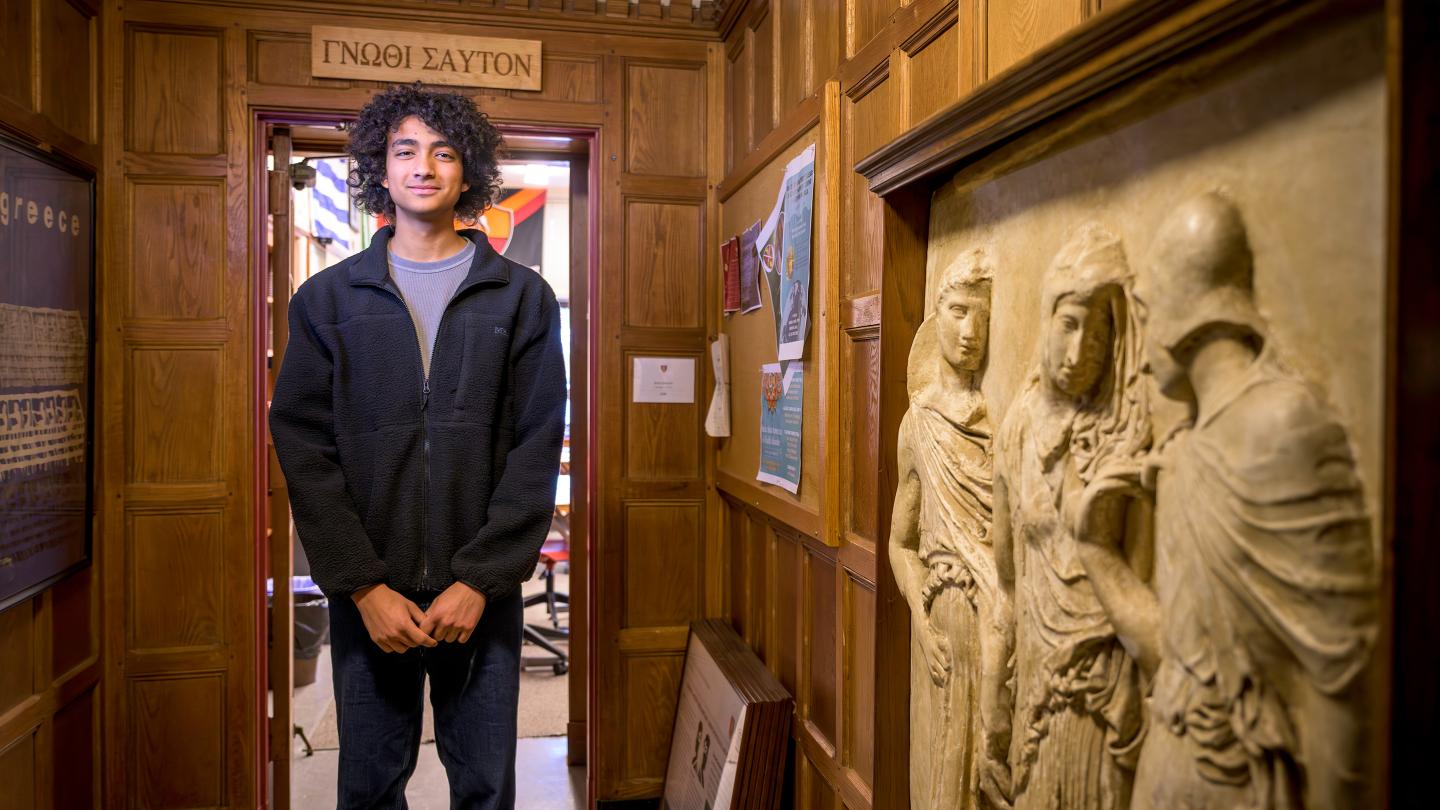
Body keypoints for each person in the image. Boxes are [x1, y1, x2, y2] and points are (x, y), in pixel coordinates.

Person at [269, 82, 567, 809]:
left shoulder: (521, 297)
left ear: (468, 172)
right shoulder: (327, 300)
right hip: (372, 595)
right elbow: (304, 447)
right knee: (369, 788)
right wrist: (362, 587)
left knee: (486, 789)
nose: (424, 167)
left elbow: (537, 443)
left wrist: (482, 580)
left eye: (443, 152)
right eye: (405, 151)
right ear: (382, 166)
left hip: (481, 596)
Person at [1072, 193, 1379, 809]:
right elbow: (1178, 662)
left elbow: (1339, 688)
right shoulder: (1186, 449)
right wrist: (1096, 549)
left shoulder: (1284, 429)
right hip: (1168, 769)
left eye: (1146, 313)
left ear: (1180, 316)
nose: (1142, 355)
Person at [991, 224, 1148, 810]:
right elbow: (1005, 582)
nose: (1080, 351)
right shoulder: (1019, 428)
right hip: (1035, 686)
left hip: (1103, 691)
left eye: (1098, 331)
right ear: (1046, 318)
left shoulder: (1127, 438)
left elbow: (1148, 582)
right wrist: (992, 707)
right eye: (1069, 324)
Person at [886, 249, 1009, 810]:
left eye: (981, 317)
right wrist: (920, 617)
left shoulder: (996, 421)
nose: (969, 331)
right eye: (959, 312)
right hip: (950, 614)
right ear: (937, 317)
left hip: (1002, 611)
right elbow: (900, 543)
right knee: (953, 769)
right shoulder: (918, 426)